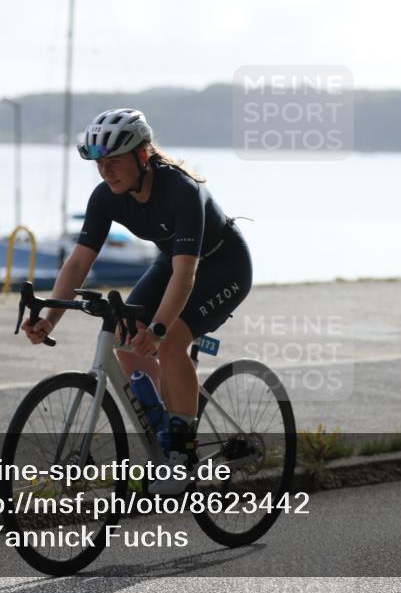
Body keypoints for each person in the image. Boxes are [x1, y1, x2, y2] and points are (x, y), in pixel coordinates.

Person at [21, 108, 252, 494]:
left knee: (172, 339)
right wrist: (50, 318)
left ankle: (182, 451)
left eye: (114, 162)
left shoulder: (182, 191)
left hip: (224, 267)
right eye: (100, 164)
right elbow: (78, 262)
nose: (106, 172)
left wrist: (159, 329)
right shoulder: (106, 197)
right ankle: (166, 424)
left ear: (142, 155)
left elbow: (186, 275)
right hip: (173, 262)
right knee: (125, 337)